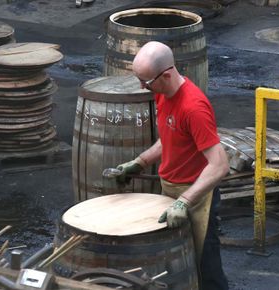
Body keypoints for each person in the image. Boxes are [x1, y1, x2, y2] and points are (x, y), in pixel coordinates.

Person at [103, 41, 229, 290]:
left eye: (146, 82)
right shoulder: (162, 93)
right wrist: (139, 163)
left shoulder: (193, 107)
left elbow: (219, 165)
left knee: (207, 269)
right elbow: (169, 138)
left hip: (197, 196)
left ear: (167, 74)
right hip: (171, 191)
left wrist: (185, 201)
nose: (142, 86)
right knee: (178, 265)